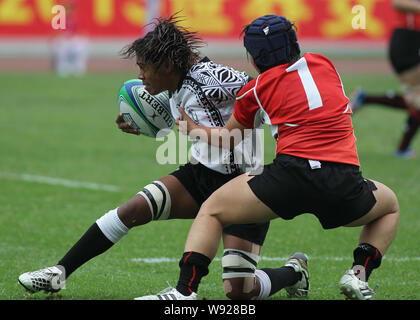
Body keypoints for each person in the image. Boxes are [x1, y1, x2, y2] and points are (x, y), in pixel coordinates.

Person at [18, 15, 309, 300]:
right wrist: (142, 128)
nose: (141, 75)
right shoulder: (174, 84)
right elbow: (187, 119)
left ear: (167, 65)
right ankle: (59, 272)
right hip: (200, 175)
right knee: (132, 210)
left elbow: (258, 90)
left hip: (244, 185)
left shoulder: (212, 80)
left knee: (240, 291)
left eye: (144, 67)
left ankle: (295, 272)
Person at [137, 14, 400, 301]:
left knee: (211, 210)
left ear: (252, 57)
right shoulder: (325, 65)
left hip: (291, 177)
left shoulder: (256, 88)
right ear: (294, 44)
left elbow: (228, 137)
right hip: (344, 178)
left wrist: (193, 129)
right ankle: (358, 274)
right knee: (390, 206)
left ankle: (184, 292)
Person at [349, 0, 420, 158]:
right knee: (417, 101)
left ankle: (366, 98)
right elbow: (398, 3)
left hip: (411, 42)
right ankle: (402, 149)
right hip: (407, 42)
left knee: (415, 101)